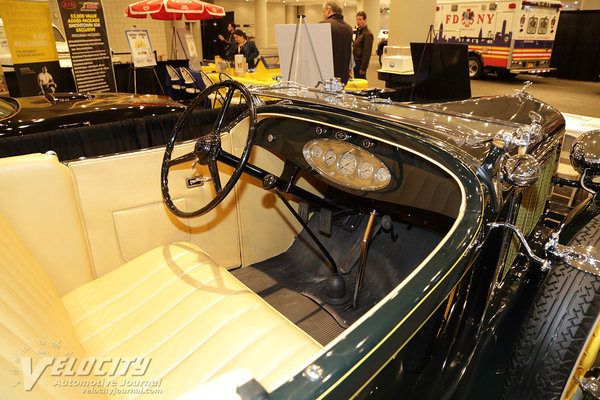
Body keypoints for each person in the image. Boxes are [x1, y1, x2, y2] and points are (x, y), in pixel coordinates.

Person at [319, 0, 353, 84]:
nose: (323, 15)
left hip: (325, 77)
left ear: (328, 10)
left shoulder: (323, 25)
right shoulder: (349, 28)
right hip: (342, 77)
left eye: (323, 12)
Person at [352, 11, 373, 79]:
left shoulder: (367, 34)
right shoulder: (359, 32)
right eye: (357, 20)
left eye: (360, 20)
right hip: (356, 62)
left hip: (360, 63)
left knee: (361, 82)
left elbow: (367, 53)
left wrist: (363, 68)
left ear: (365, 20)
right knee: (357, 82)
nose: (358, 21)